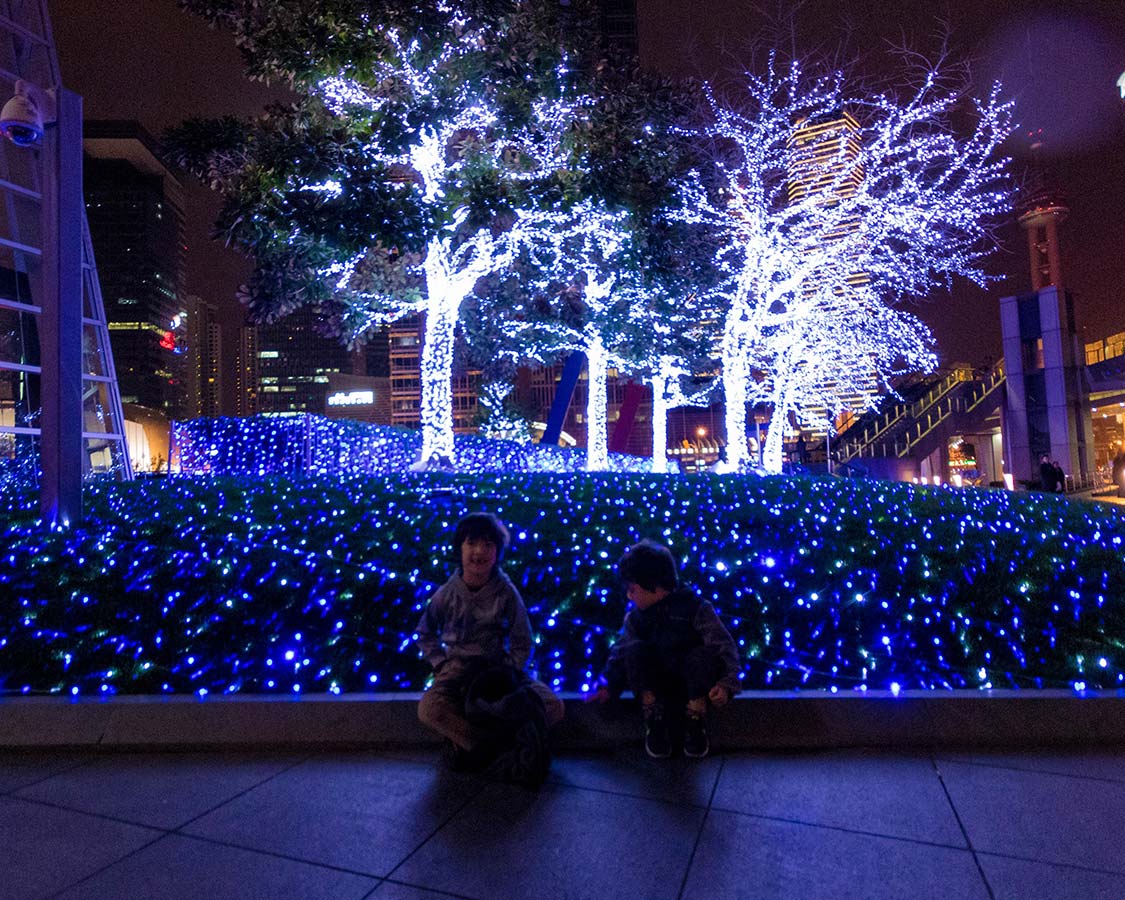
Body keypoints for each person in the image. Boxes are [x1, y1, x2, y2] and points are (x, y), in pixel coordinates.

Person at [416, 512, 564, 775]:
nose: (479, 551)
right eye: (471, 543)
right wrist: (440, 664)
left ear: (498, 551)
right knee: (429, 710)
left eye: (488, 544)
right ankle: (496, 747)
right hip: (458, 672)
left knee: (553, 706)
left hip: (498, 672)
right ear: (459, 548)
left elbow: (523, 638)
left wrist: (513, 668)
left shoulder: (505, 592)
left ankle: (473, 748)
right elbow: (425, 632)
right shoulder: (447, 594)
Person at [586, 540, 741, 759]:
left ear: (656, 587)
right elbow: (621, 652)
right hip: (656, 682)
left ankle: (695, 718)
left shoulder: (695, 608)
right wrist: (608, 684)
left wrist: (727, 684)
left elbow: (722, 645)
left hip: (691, 683)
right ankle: (654, 716)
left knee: (702, 656)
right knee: (634, 650)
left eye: (633, 590)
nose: (629, 596)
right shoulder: (636, 618)